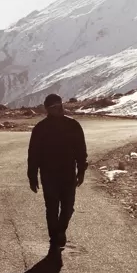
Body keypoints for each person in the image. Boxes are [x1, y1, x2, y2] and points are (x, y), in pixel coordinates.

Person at [27, 93, 87, 251]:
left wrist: (81, 170)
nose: (59, 108)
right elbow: (33, 154)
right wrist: (32, 176)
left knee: (68, 207)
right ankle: (54, 237)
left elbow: (81, 150)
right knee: (52, 208)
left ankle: (61, 231)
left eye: (60, 104)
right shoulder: (40, 129)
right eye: (54, 107)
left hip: (68, 173)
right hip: (48, 175)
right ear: (48, 110)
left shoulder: (73, 125)